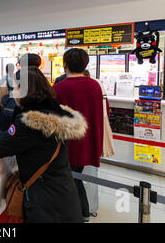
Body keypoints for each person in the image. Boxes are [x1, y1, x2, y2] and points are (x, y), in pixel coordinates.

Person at [0, 66, 86, 223]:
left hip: (45, 200)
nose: (14, 92)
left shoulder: (30, 121)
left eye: (16, 87)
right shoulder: (53, 111)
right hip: (63, 192)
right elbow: (19, 139)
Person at [53, 48, 105, 222]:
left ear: (65, 64)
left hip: (67, 144)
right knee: (74, 178)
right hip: (88, 142)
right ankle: (81, 214)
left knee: (71, 180)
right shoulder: (95, 85)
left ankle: (81, 214)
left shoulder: (60, 87)